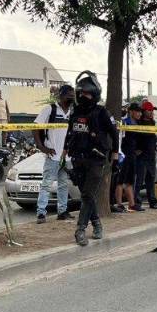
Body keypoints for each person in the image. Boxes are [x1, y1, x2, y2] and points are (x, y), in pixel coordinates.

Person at [65, 72, 119, 246]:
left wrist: (115, 154)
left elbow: (114, 133)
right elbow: (70, 132)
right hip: (77, 158)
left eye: (86, 93)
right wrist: (64, 151)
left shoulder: (101, 112)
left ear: (94, 94)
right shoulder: (75, 111)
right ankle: (97, 224)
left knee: (88, 194)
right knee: (86, 196)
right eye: (80, 93)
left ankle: (80, 229)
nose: (83, 96)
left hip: (96, 159)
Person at [33, 85, 75, 223]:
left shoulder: (72, 112)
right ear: (61, 96)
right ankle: (41, 213)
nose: (71, 97)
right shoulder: (50, 109)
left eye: (72, 95)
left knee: (63, 184)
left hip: (66, 156)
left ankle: (62, 211)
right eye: (69, 94)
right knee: (46, 184)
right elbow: (36, 127)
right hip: (53, 155)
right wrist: (41, 147)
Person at [116, 103, 144, 212]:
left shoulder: (137, 123)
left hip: (132, 155)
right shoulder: (124, 122)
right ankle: (119, 204)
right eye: (137, 111)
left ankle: (132, 204)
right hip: (123, 154)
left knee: (130, 181)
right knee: (120, 180)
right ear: (131, 111)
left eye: (140, 111)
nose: (140, 114)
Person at [134, 101, 157, 210]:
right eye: (148, 110)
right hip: (141, 155)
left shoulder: (152, 123)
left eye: (152, 110)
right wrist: (136, 149)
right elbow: (135, 137)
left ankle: (152, 201)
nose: (151, 112)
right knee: (139, 180)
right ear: (143, 111)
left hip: (151, 154)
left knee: (151, 179)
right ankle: (136, 202)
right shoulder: (138, 123)